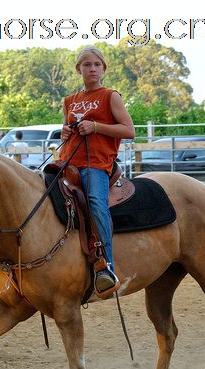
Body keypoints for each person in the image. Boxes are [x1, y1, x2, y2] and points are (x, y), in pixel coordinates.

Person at [60, 45, 135, 294]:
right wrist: (66, 131)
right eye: (86, 65)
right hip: (67, 162)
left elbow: (129, 131)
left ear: (103, 68)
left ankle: (107, 266)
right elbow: (66, 128)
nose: (92, 69)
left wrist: (96, 127)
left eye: (96, 65)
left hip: (96, 164)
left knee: (95, 202)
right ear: (78, 69)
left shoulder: (110, 96)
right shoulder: (69, 100)